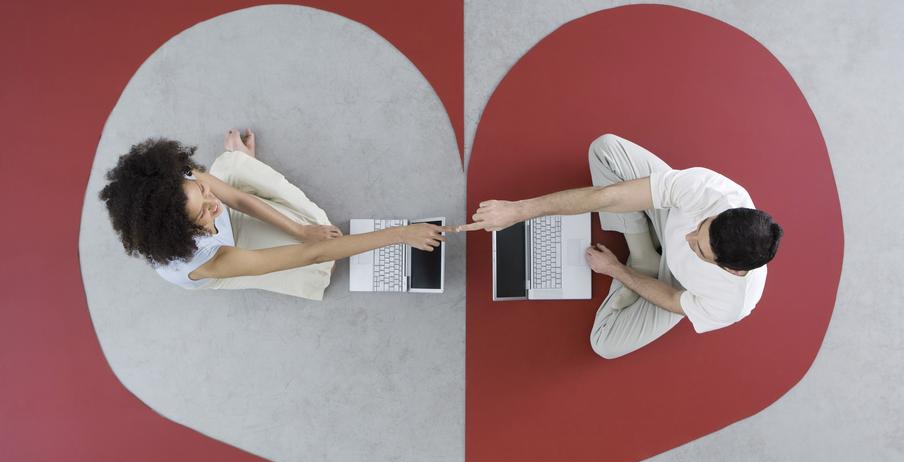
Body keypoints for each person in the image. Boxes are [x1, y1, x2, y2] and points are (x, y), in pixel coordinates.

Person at [459, 134, 783, 359]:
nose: (689, 239)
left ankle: (641, 260)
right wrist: (519, 210)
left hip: (676, 284)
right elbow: (608, 197)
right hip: (664, 215)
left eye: (699, 249)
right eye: (700, 227)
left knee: (605, 343)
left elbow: (672, 299)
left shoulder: (732, 304)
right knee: (606, 150)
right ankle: (643, 248)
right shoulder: (711, 191)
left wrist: (617, 270)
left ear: (732, 269)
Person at [99, 129, 451, 300]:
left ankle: (240, 162)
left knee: (309, 221)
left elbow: (236, 198)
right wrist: (401, 234)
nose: (213, 204)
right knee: (315, 266)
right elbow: (313, 253)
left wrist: (299, 229)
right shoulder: (204, 261)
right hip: (225, 257)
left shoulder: (182, 181)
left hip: (217, 232)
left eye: (203, 192)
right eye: (204, 213)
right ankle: (239, 164)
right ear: (182, 230)